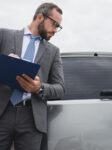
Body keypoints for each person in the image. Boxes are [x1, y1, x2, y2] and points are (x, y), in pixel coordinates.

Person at [0, 2, 65, 150]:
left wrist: (39, 88)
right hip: (2, 112)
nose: (55, 30)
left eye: (58, 27)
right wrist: (4, 62)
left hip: (32, 118)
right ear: (40, 17)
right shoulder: (4, 35)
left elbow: (60, 88)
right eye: (54, 24)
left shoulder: (54, 51)